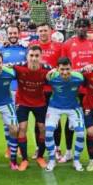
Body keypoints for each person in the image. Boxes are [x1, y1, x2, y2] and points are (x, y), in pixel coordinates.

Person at [60, 18, 93, 163]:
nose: (82, 29)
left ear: (88, 28)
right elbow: (63, 67)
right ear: (75, 28)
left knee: (91, 120)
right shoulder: (67, 44)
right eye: (79, 26)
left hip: (90, 88)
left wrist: (92, 69)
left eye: (84, 26)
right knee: (70, 121)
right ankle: (69, 151)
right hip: (73, 89)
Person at [11, 45, 52, 170]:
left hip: (39, 102)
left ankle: (40, 156)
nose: (34, 59)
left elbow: (60, 75)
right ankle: (24, 159)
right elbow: (2, 67)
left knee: (43, 128)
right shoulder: (18, 67)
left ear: (41, 57)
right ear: (27, 56)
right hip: (22, 101)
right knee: (22, 128)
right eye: (31, 56)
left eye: (36, 56)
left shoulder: (47, 70)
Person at [44, 57, 86, 172]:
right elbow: (44, 78)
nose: (65, 72)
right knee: (48, 131)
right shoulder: (52, 76)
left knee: (81, 133)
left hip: (73, 107)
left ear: (71, 68)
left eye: (67, 69)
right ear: (57, 69)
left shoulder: (79, 78)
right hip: (55, 107)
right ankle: (52, 160)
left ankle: (76, 160)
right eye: (62, 69)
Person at [29, 22, 63, 160]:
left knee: (56, 120)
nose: (43, 33)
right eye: (40, 30)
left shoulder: (58, 47)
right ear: (37, 32)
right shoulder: (32, 46)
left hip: (54, 89)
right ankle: (39, 148)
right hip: (38, 90)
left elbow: (63, 65)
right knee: (39, 121)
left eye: (45, 30)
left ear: (51, 31)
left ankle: (57, 148)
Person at [0, 24, 27, 157]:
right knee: (7, 121)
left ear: (19, 33)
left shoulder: (25, 48)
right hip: (6, 90)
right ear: (7, 35)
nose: (12, 35)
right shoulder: (2, 48)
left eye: (15, 33)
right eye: (10, 33)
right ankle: (9, 146)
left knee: (20, 120)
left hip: (22, 90)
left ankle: (20, 147)